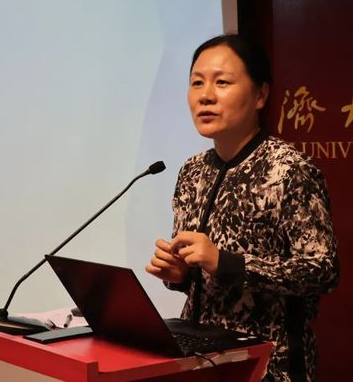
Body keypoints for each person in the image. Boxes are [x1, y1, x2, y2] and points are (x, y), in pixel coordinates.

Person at [145, 34, 339, 382]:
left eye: (222, 82)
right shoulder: (192, 171)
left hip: (270, 366)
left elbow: (322, 271)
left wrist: (227, 263)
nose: (205, 95)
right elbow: (201, 278)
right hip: (201, 361)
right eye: (197, 83)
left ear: (260, 95)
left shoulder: (288, 170)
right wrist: (180, 275)